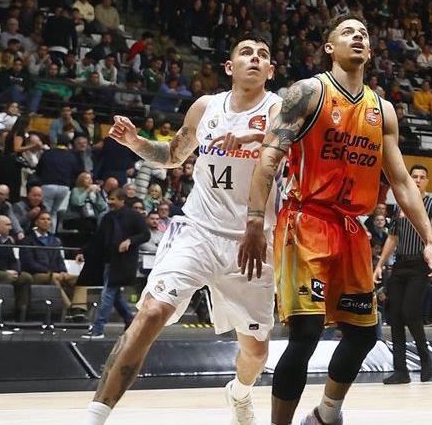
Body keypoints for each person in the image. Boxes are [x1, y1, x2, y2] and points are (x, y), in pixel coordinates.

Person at [237, 15, 432, 425]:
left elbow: (401, 181)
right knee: (306, 333)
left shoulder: (381, 110)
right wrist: (255, 221)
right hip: (305, 221)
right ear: (329, 47)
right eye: (348, 31)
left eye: (364, 33)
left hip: (351, 229)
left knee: (365, 333)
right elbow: (268, 159)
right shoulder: (308, 93)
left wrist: (430, 239)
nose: (359, 36)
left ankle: (326, 414)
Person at [83, 38, 283, 425]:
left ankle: (239, 392)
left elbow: (288, 142)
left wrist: (250, 137)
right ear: (229, 66)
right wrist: (135, 142)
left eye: (263, 55)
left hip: (251, 242)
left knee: (256, 351)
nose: (254, 59)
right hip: (199, 230)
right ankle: (94, 417)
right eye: (246, 52)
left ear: (270, 71)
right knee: (151, 312)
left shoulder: (276, 108)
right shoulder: (205, 107)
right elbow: (173, 156)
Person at [377, 163, 432, 384]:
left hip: (421, 264)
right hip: (400, 264)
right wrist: (379, 264)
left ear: (427, 181)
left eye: (421, 177)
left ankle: (425, 360)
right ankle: (401, 371)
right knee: (394, 315)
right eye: (414, 176)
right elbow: (393, 237)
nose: (417, 180)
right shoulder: (401, 204)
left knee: (410, 312)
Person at [79, 193, 151, 339]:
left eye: (113, 199)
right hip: (109, 261)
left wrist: (130, 241)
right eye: (109, 199)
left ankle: (98, 329)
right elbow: (97, 239)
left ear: (122, 200)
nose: (110, 202)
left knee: (108, 294)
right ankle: (130, 320)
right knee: (114, 294)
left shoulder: (134, 216)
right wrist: (83, 252)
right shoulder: (107, 218)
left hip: (124, 262)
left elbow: (145, 234)